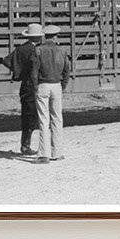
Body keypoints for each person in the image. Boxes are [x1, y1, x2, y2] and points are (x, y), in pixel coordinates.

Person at [2, 22, 43, 155]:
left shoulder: (21, 49)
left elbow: (6, 60)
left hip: (25, 86)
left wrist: (18, 71)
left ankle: (25, 145)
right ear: (38, 37)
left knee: (27, 116)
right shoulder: (36, 50)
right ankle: (28, 147)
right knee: (37, 116)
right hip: (36, 85)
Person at [31, 24, 71, 162]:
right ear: (56, 36)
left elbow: (34, 72)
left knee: (43, 119)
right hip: (57, 86)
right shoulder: (62, 50)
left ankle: (44, 154)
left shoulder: (38, 50)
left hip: (43, 85)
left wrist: (35, 87)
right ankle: (57, 153)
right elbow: (67, 71)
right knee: (57, 118)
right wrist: (63, 85)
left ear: (44, 36)